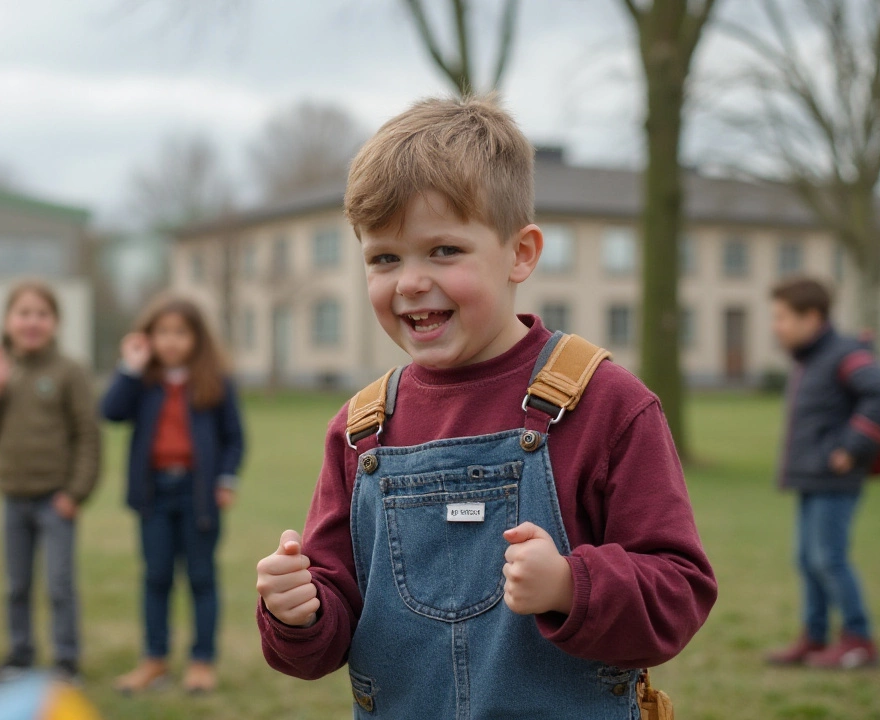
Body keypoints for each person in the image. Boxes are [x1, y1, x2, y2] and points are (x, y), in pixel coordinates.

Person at [253, 96, 717, 718]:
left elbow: (680, 592)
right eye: (384, 257)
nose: (411, 280)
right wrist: (297, 610)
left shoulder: (607, 405)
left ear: (520, 254)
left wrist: (568, 586)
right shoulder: (361, 431)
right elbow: (326, 634)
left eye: (443, 251)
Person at [102, 296, 245, 695]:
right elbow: (110, 412)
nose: (171, 341)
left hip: (199, 494)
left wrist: (226, 479)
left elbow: (234, 438)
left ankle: (201, 662)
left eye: (180, 332)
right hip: (154, 495)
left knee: (201, 578)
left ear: (196, 338)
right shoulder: (142, 383)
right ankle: (154, 660)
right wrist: (129, 366)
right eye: (162, 332)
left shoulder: (215, 382)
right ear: (149, 337)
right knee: (156, 577)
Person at [0, 281, 101, 686]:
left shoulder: (69, 371)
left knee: (59, 585)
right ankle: (19, 656)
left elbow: (88, 436)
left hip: (56, 500)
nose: (32, 321)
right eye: (23, 313)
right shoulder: (2, 370)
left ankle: (66, 663)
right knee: (16, 585)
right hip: (14, 498)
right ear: (8, 322)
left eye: (41, 314)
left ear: (55, 323)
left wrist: (76, 492)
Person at [764, 277, 880, 669]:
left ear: (811, 317)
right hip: (812, 477)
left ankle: (859, 639)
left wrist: (852, 448)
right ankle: (814, 638)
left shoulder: (846, 353)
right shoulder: (811, 358)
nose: (776, 325)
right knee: (806, 558)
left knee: (829, 558)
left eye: (782, 317)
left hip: (835, 478)